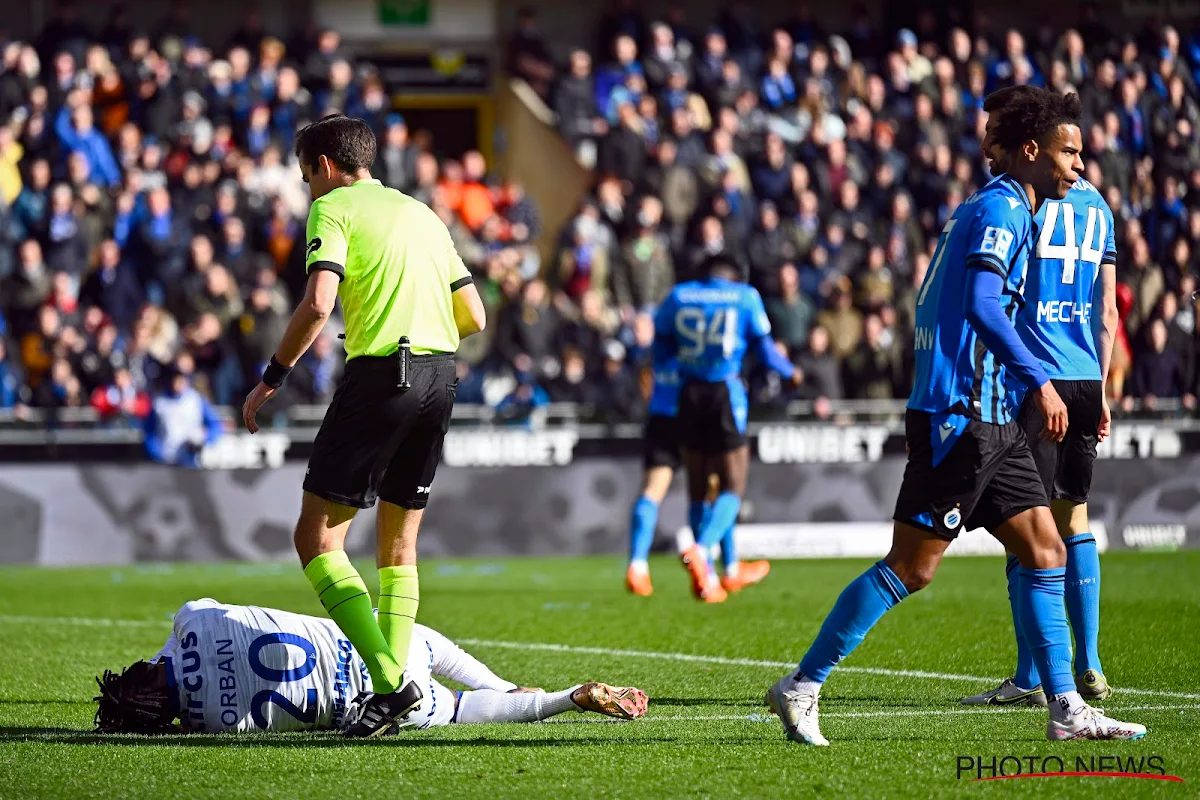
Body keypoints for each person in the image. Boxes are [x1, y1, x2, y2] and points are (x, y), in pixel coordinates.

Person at [765, 89, 1145, 745]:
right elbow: (980, 303)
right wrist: (1041, 382)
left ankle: (1066, 708)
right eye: (1069, 152)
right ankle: (802, 685)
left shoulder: (1004, 208)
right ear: (1032, 152)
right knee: (912, 568)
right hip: (962, 415)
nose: (1079, 167)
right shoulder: (1001, 207)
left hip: (990, 414)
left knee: (1045, 548)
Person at [239, 115, 487, 738]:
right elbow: (475, 316)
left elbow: (320, 303)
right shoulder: (423, 213)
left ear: (324, 166)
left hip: (385, 375)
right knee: (399, 546)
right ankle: (392, 689)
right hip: (441, 376)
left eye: (305, 175)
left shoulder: (334, 210)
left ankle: (390, 683)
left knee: (317, 540)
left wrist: (272, 376)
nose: (307, 187)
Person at [962, 86, 1120, 709]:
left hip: (1039, 380)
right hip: (1086, 376)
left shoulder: (1025, 201)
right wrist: (1103, 386)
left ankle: (1030, 676)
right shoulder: (1100, 208)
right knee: (1074, 518)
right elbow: (1108, 309)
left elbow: (998, 298)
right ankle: (1093, 662)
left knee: (1025, 524)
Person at [93, 599, 647, 734]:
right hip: (384, 644)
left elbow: (184, 693)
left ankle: (558, 699)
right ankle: (511, 686)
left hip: (376, 702)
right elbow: (195, 619)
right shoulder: (191, 623)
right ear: (146, 667)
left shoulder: (210, 725)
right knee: (416, 640)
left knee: (454, 713)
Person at [653, 253, 796, 602]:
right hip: (724, 392)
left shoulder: (679, 296)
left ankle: (721, 573)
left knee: (699, 489)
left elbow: (660, 345)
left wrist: (672, 374)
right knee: (733, 486)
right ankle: (702, 551)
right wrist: (793, 373)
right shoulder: (744, 296)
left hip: (688, 393)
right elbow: (765, 351)